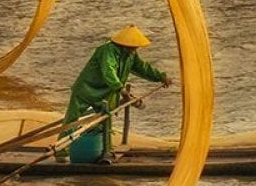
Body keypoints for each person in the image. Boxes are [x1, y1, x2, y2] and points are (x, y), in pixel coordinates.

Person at [58, 25, 172, 164]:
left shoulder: (130, 55)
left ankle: (106, 150)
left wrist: (160, 77)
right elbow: (108, 71)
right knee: (72, 119)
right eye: (133, 46)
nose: (135, 49)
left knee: (106, 119)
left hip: (106, 92)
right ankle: (61, 150)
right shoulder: (107, 51)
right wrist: (121, 89)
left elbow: (142, 68)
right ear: (125, 44)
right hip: (86, 89)